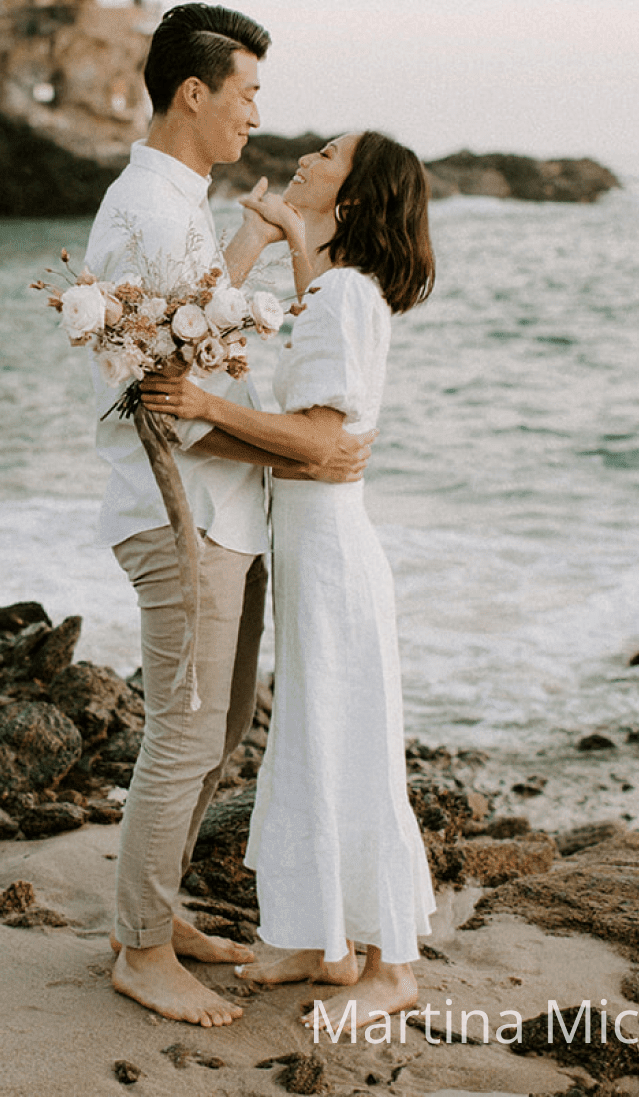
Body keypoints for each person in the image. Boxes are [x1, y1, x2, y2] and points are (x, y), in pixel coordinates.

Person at [87, 3, 373, 1028]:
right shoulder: (152, 212)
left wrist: (247, 244)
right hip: (183, 516)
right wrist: (311, 449)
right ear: (195, 93)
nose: (258, 113)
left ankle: (156, 914)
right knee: (183, 732)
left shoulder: (180, 207)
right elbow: (173, 409)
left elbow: (193, 342)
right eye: (248, 93)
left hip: (223, 517)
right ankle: (138, 948)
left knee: (219, 730)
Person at [139, 129, 438, 1029]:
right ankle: (319, 943)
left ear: (353, 196)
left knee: (351, 744)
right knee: (311, 739)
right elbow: (316, 426)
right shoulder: (337, 287)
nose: (307, 152)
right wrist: (292, 242)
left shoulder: (346, 294)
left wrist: (198, 408)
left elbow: (315, 439)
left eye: (330, 154)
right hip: (312, 550)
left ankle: (392, 966)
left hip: (333, 562)